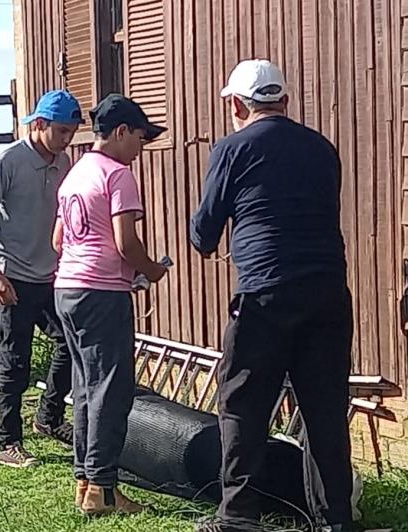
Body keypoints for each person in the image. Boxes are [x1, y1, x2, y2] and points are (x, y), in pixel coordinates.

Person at [190, 60, 354, 532]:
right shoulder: (322, 148)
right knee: (324, 409)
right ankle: (334, 520)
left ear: (239, 105)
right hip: (326, 292)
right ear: (284, 101)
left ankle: (238, 515)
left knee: (244, 404)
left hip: (264, 292)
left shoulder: (233, 149)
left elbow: (205, 233)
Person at [53, 93, 168, 515]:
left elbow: (58, 240)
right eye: (140, 137)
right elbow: (125, 241)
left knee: (85, 388)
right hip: (102, 293)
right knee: (111, 390)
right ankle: (103, 488)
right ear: (120, 132)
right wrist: (151, 270)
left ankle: (85, 479)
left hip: (67, 289)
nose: (141, 148)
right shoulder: (117, 175)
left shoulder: (75, 173)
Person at [0, 89, 80, 468]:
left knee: (68, 344)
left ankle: (48, 418)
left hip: (51, 275)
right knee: (14, 361)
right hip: (13, 276)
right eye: (63, 131)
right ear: (40, 125)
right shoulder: (9, 161)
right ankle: (8, 442)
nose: (67, 140)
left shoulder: (63, 164)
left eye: (72, 133)